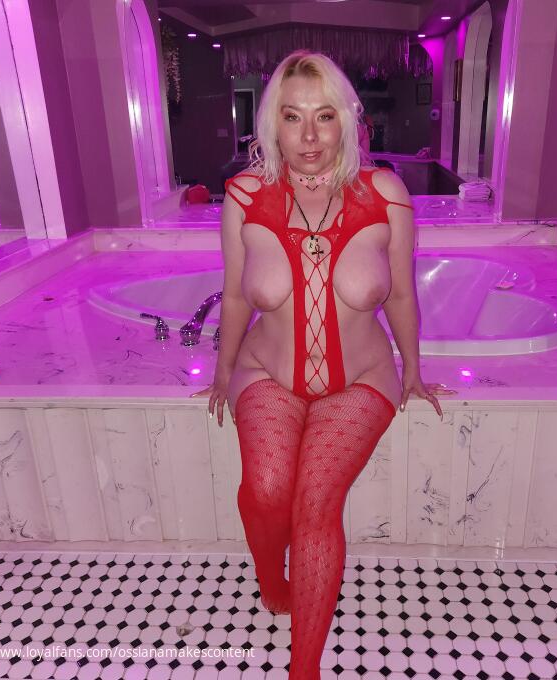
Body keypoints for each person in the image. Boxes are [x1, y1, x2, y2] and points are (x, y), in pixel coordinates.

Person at [195, 50, 456, 679]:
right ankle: (269, 575)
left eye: (324, 116)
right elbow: (235, 296)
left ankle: (303, 670)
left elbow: (401, 295)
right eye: (292, 117)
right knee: (266, 491)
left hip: (360, 380)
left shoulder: (385, 194)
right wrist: (223, 370)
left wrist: (413, 370)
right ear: (272, 125)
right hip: (267, 370)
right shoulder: (244, 196)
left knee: (316, 503)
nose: (309, 136)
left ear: (347, 121)